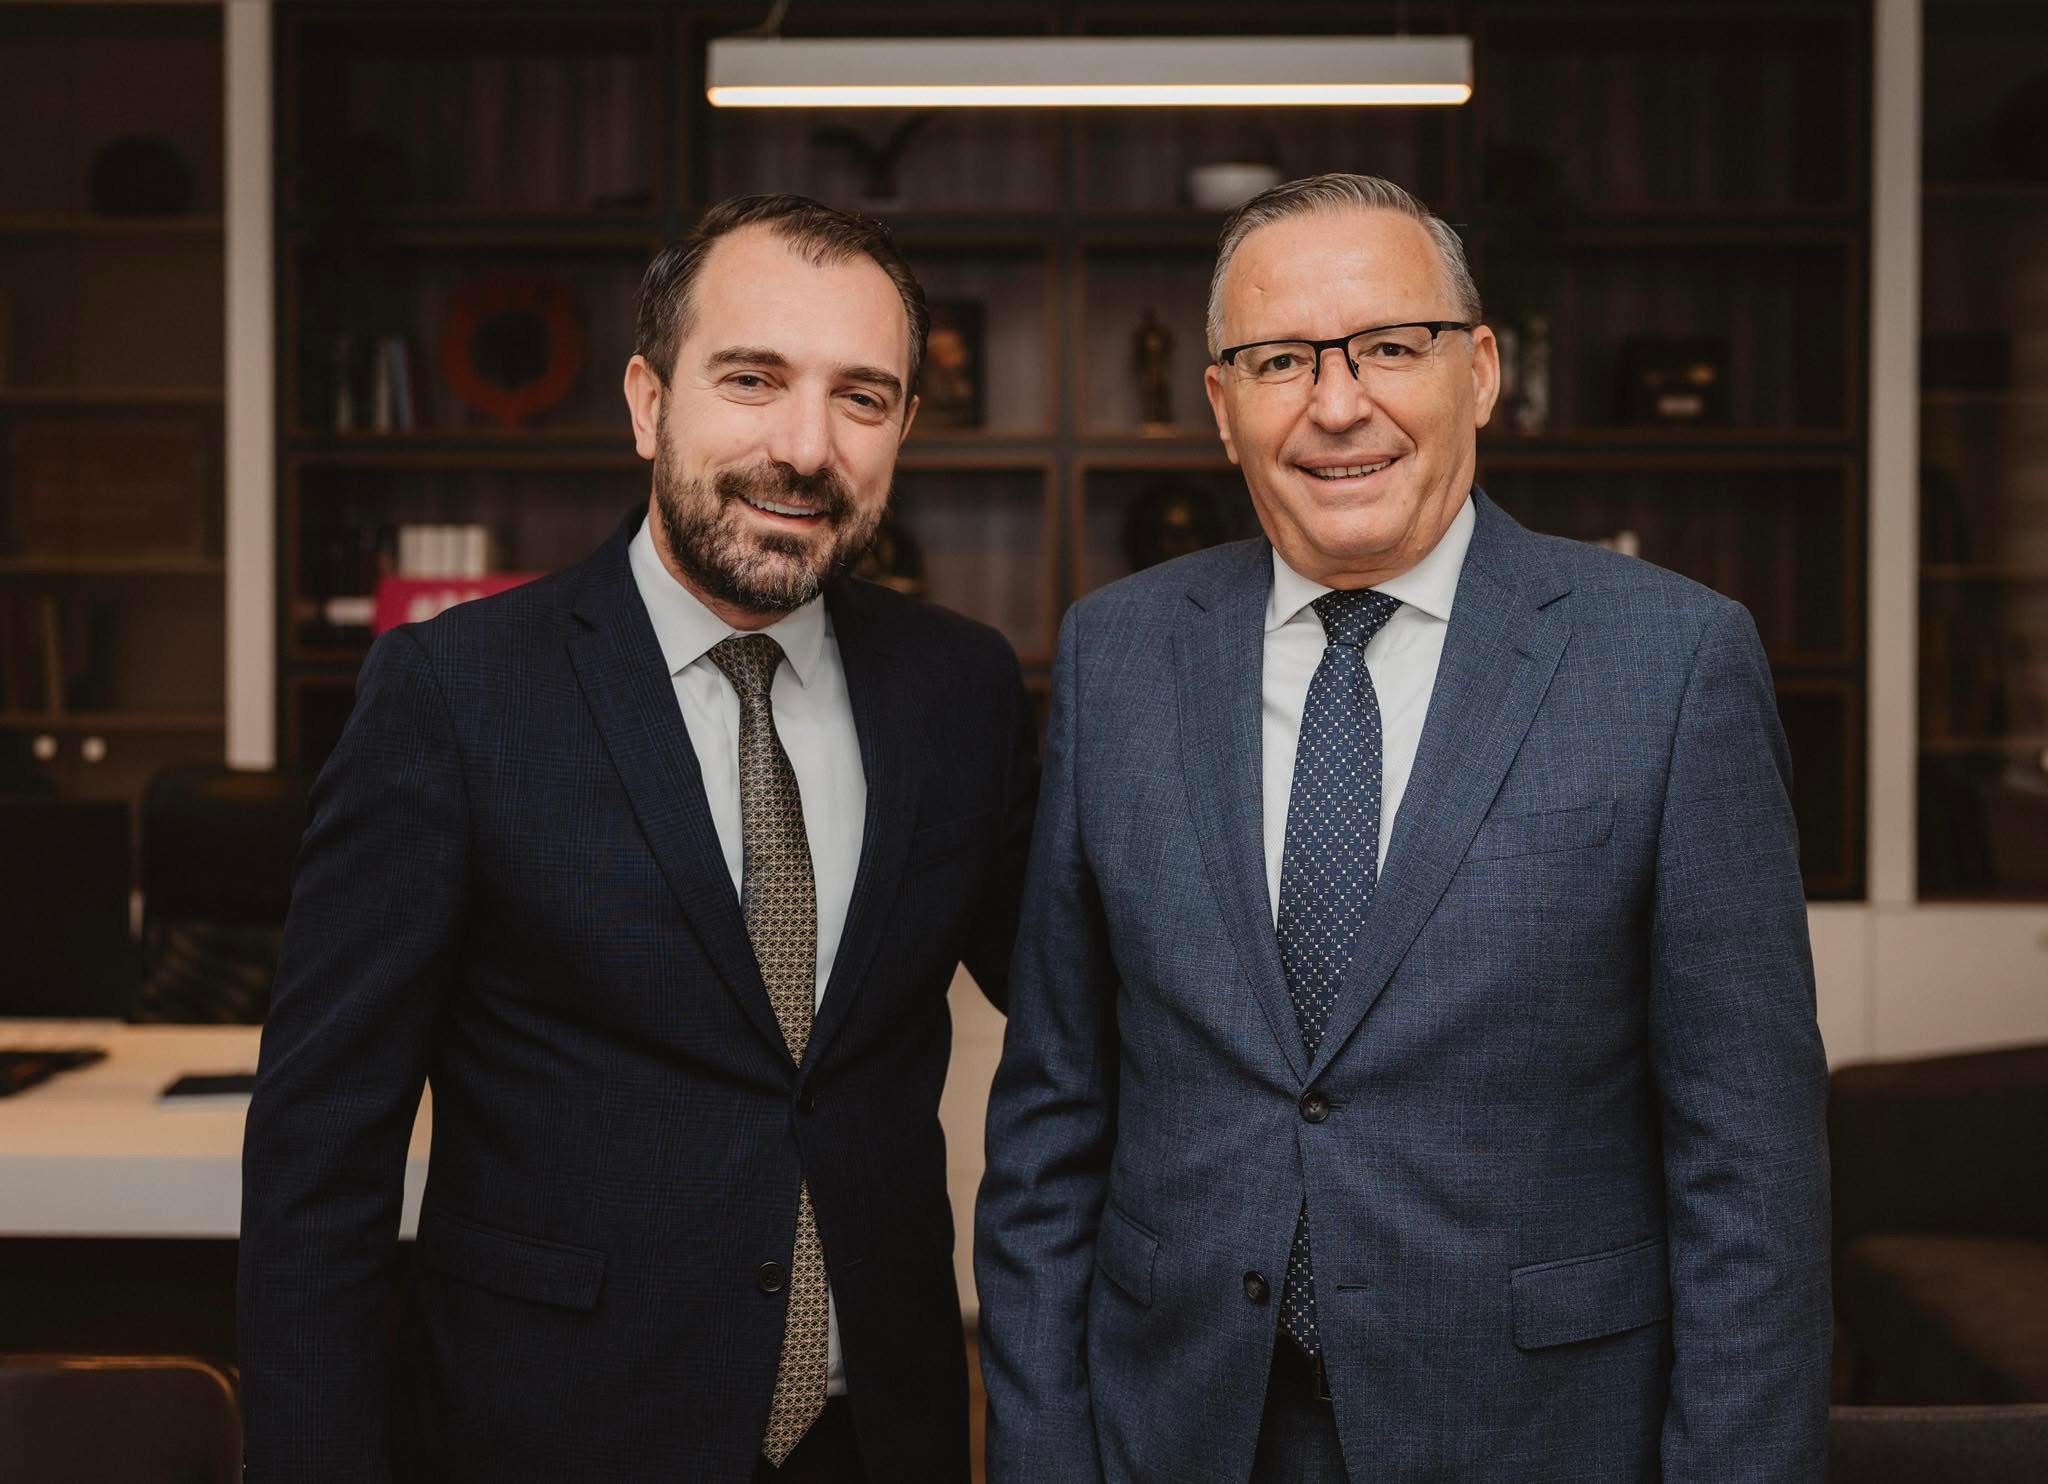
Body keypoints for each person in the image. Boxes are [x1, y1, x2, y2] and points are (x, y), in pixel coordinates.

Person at [976, 172, 1830, 1482]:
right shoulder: (1119, 655)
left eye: (1390, 345)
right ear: (1221, 405)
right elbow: (1052, 1119)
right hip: (1182, 1427)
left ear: (1479, 372)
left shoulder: (1672, 662)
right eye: (1280, 360)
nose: (1337, 404)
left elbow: (1751, 1168)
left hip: (1535, 1439)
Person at [240, 194, 1038, 1484]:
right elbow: (318, 1155)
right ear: (647, 402)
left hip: (879, 1436)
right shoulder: (455, 696)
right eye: (752, 380)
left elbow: (1082, 1006)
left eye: (862, 397)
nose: (805, 447)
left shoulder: (961, 691)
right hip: (549, 1437)